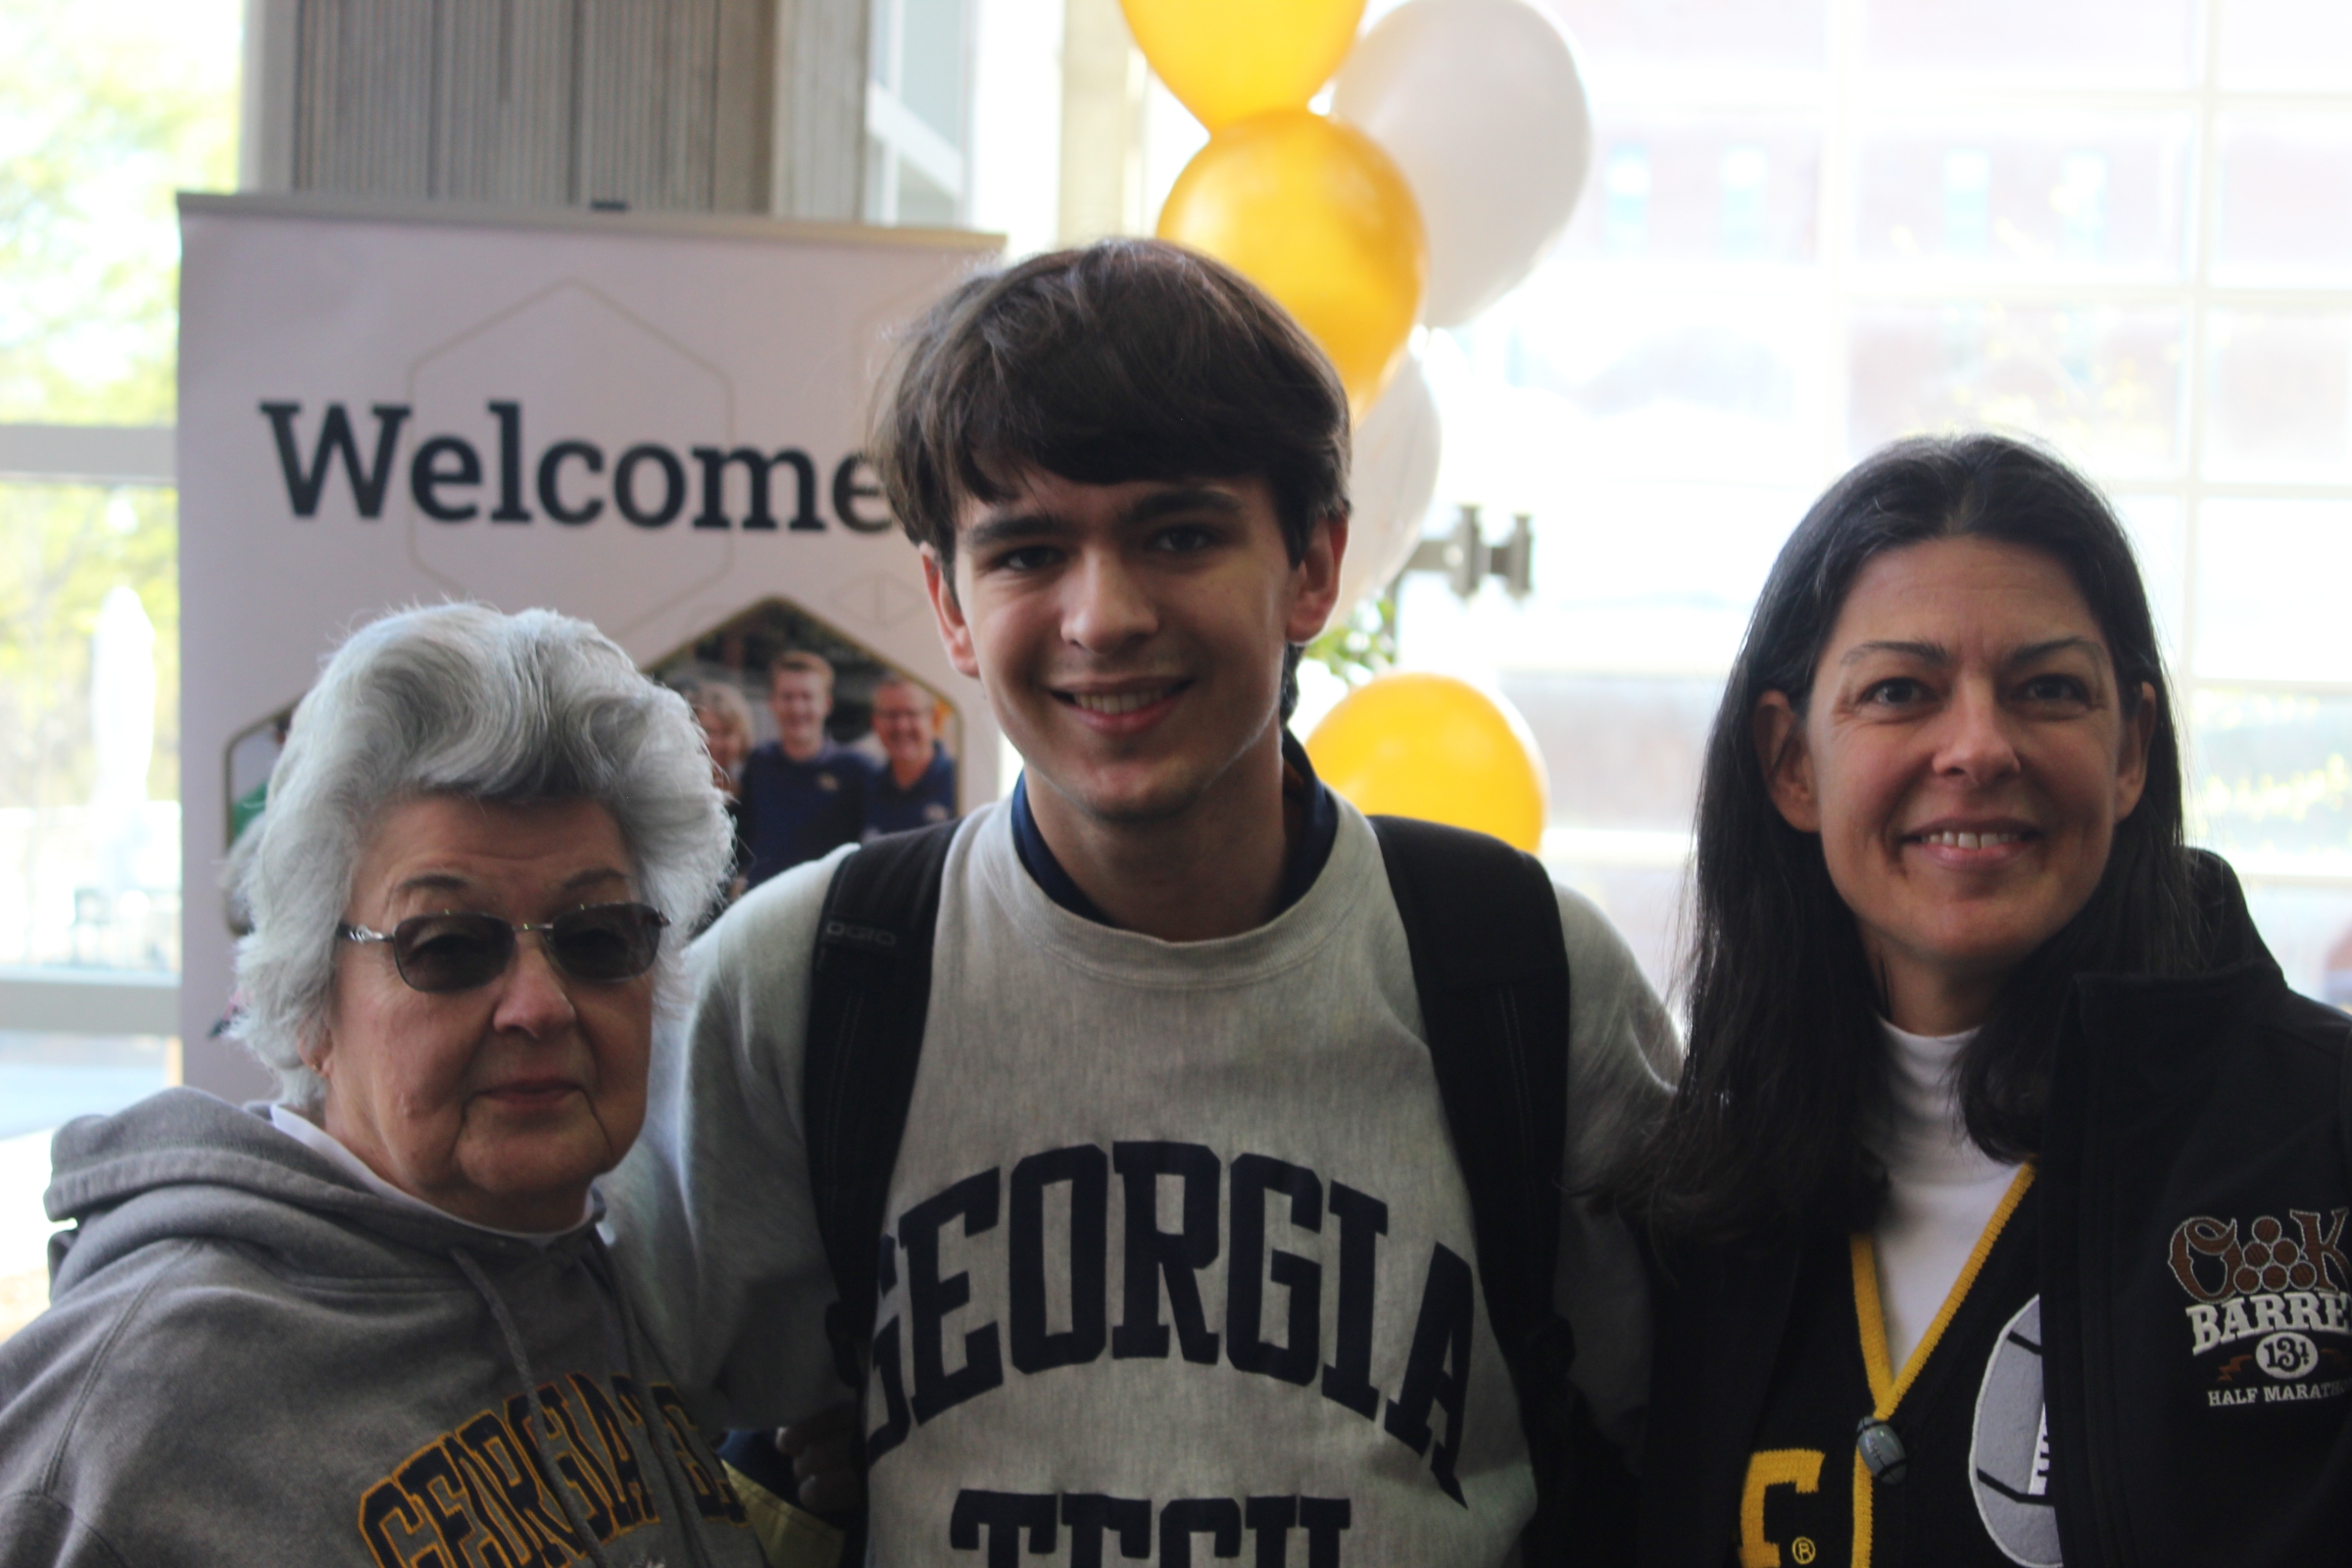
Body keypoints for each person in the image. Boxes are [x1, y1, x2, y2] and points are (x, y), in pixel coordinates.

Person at [610, 238, 1678, 1564]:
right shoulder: (809, 983)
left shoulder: (1522, 979)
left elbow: (1704, 1449)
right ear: (947, 602)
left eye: (1177, 534)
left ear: (1313, 565)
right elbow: (572, 1418)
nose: (1102, 616)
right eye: (1028, 553)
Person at [1627, 434, 2352, 1566]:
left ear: (2131, 751)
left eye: (2048, 689)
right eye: (1900, 692)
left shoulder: (2320, 1141)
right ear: (1791, 764)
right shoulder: (1694, 1218)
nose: (1978, 745)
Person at [0, 604, 771, 1567]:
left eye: (598, 937)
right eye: (446, 945)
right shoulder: (145, 1401)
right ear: (310, 1003)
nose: (539, 1004)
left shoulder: (628, 1289)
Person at [737, 651, 868, 888]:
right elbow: (742, 840)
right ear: (772, 702)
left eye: (807, 697)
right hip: (764, 908)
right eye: (787, 697)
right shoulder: (759, 763)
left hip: (824, 908)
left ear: (826, 704)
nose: (797, 708)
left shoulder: (856, 770)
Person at [687, 679, 758, 897]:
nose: (715, 743)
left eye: (726, 733)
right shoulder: (674, 792)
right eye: (708, 731)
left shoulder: (752, 793)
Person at [863, 674, 956, 835]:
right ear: (875, 722)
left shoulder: (960, 781)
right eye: (891, 715)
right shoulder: (863, 787)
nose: (901, 726)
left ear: (934, 719)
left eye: (911, 713)